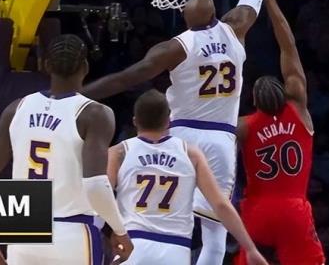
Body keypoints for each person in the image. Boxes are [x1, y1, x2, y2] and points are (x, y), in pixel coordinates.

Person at [82, 0, 285, 265]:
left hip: (180, 137)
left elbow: (128, 77)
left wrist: (82, 95)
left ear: (184, 21)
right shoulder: (235, 27)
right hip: (220, 140)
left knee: (154, 215)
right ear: (216, 14)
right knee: (215, 233)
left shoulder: (176, 47)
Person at [0, 34, 133, 265]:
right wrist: (119, 230)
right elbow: (96, 185)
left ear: (46, 66)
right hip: (72, 234)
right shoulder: (94, 113)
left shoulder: (16, 108)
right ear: (85, 67)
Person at [108, 89, 268, 265]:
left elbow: (101, 197)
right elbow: (220, 205)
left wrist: (111, 232)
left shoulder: (118, 152)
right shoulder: (190, 154)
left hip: (132, 245)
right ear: (168, 121)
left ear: (135, 121)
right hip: (175, 250)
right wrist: (250, 248)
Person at [235, 0, 325, 265]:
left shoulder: (244, 126)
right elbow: (288, 46)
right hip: (294, 208)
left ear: (253, 100)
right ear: (284, 92)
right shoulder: (298, 109)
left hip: (257, 211)